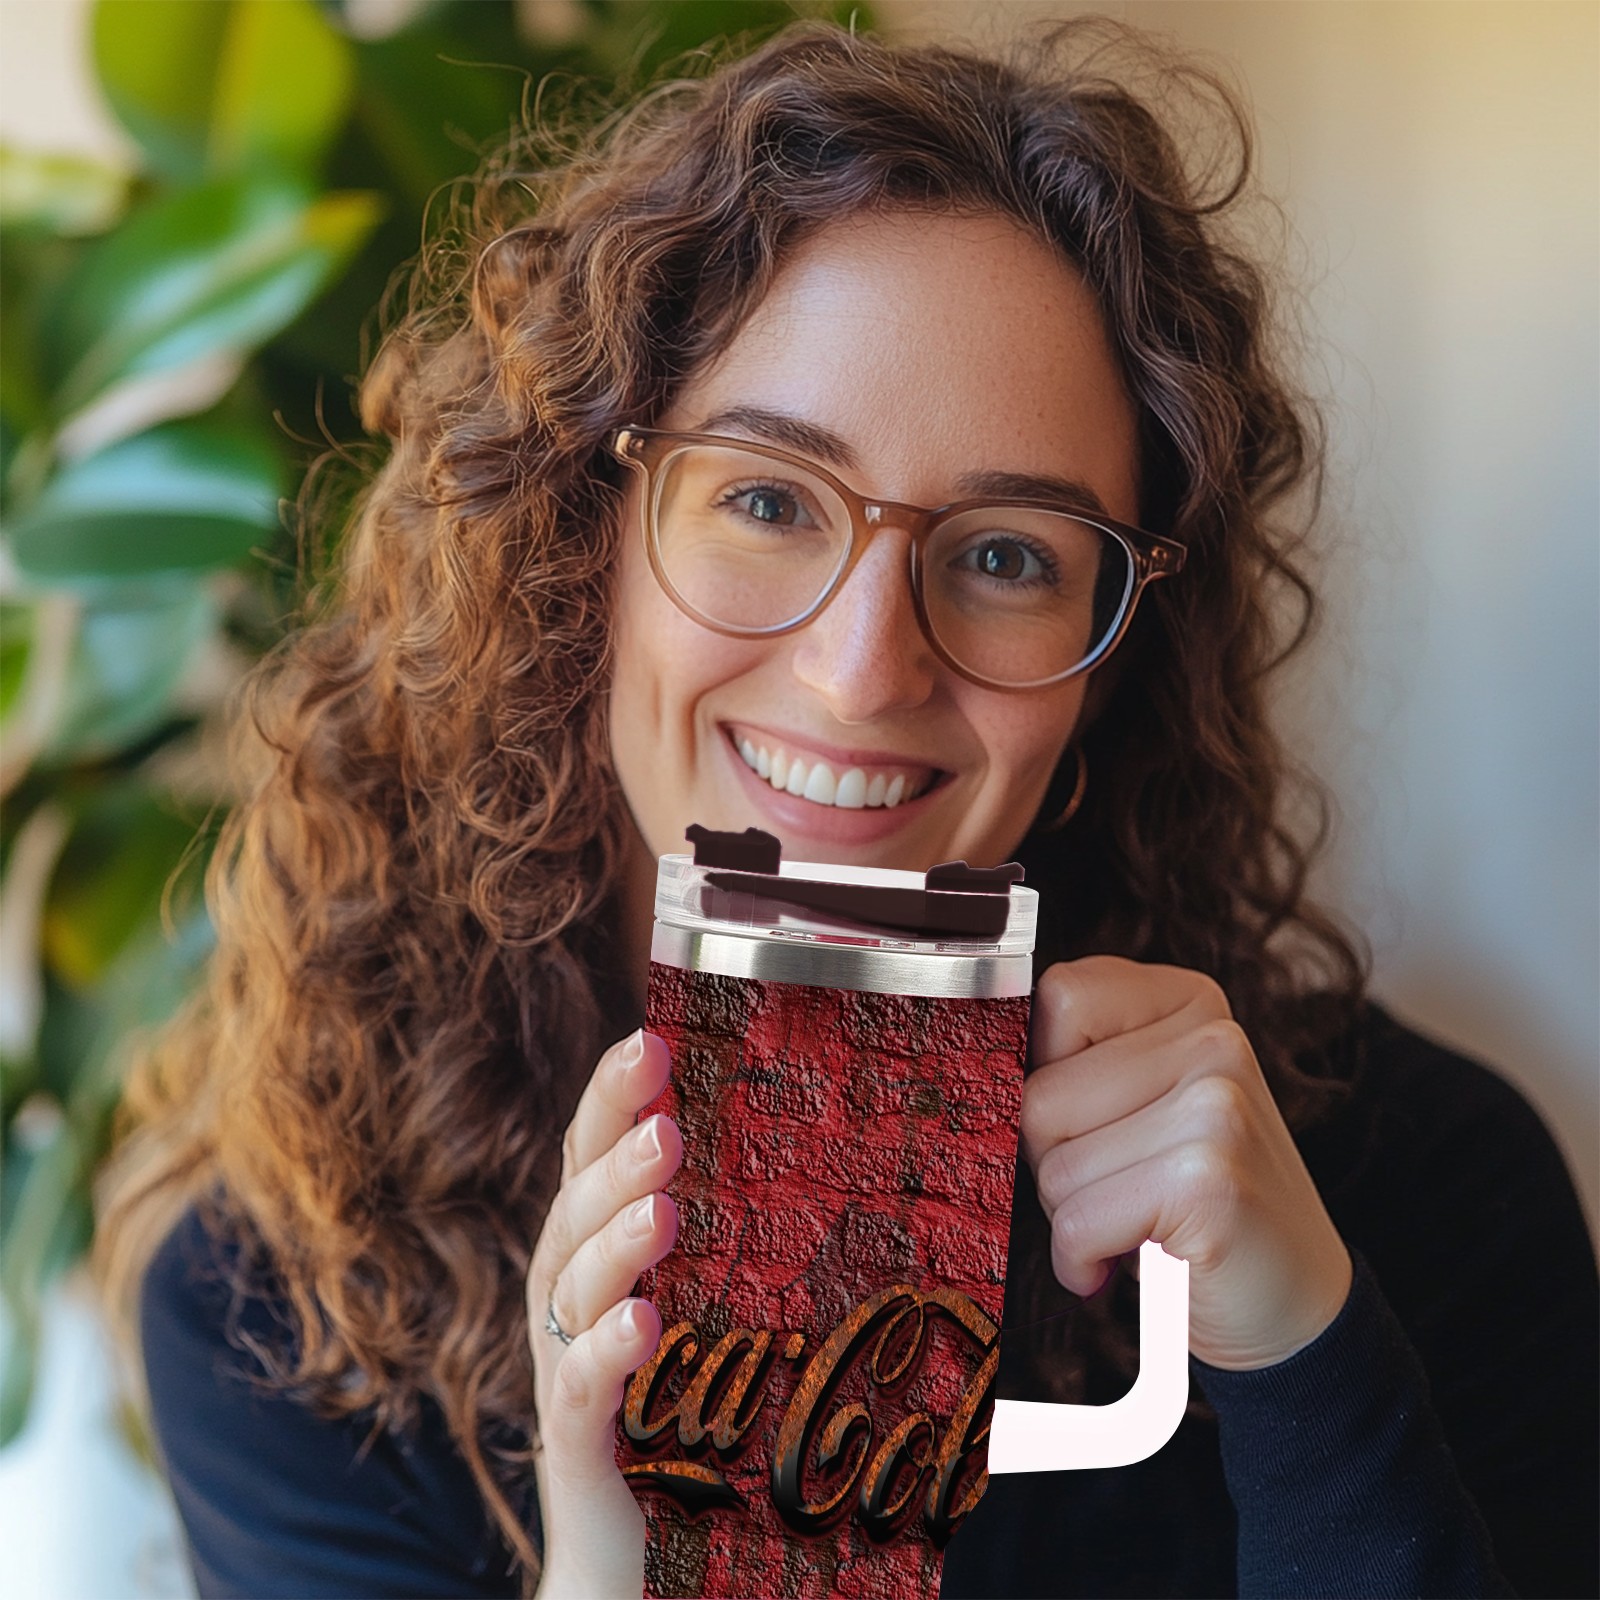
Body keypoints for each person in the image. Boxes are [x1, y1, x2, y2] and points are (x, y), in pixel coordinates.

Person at [96, 18, 1597, 1600]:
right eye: (765, 499)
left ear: (1113, 662)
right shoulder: (290, 1300)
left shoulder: (1421, 1193)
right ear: (580, 550)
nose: (864, 671)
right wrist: (617, 1561)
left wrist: (1306, 1368)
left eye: (1007, 553)